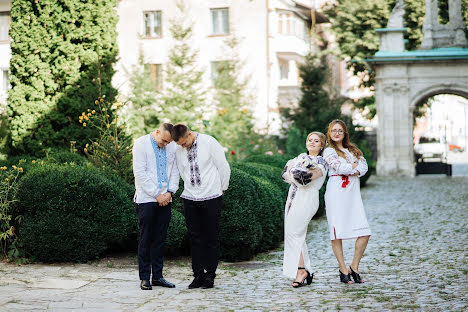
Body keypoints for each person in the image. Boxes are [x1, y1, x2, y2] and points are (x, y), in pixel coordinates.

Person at [170, 124, 230, 289]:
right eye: (179, 145)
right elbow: (182, 171)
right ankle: (198, 275)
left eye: (184, 143)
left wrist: (222, 188)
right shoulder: (179, 149)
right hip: (190, 197)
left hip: (211, 195)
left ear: (189, 134)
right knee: (195, 238)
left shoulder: (209, 142)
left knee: (211, 237)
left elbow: (223, 166)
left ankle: (210, 276)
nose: (182, 147)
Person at [323, 119, 371, 284]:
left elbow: (364, 168)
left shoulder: (353, 149)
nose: (337, 133)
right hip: (336, 192)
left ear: (344, 133)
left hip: (353, 194)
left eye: (340, 131)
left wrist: (353, 167)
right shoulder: (329, 152)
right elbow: (339, 168)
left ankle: (354, 267)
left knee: (364, 232)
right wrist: (354, 166)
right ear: (330, 133)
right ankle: (343, 269)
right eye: (334, 130)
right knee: (337, 233)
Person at [132, 123, 180, 290]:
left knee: (160, 240)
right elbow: (139, 172)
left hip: (166, 199)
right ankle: (144, 277)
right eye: (163, 141)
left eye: (168, 142)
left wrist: (170, 192)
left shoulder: (172, 146)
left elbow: (175, 170)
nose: (165, 145)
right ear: (157, 132)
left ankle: (158, 277)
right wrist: (156, 194)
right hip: (147, 199)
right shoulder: (140, 144)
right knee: (146, 239)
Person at [281, 132, 328, 288]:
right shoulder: (299, 158)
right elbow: (284, 174)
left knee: (295, 233)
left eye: (316, 141)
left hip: (307, 199)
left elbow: (305, 179)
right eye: (310, 140)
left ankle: (301, 270)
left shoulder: (322, 162)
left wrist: (293, 173)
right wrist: (296, 172)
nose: (312, 143)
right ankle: (305, 269)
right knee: (291, 233)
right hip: (292, 198)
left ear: (322, 145)